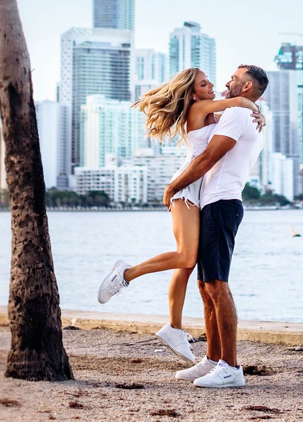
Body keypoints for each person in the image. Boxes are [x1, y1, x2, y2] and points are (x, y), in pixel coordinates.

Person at [95, 68, 265, 364]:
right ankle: (125, 274)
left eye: (211, 81)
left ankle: (174, 327)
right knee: (186, 257)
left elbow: (235, 117)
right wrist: (253, 105)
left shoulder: (214, 114)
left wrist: (254, 108)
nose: (213, 84)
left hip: (199, 193)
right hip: (186, 189)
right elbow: (235, 106)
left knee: (188, 266)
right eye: (204, 83)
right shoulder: (201, 107)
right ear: (193, 93)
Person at [158, 64, 270, 388]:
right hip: (213, 204)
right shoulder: (239, 112)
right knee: (205, 287)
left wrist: (171, 187)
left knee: (217, 285)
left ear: (246, 87)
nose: (225, 83)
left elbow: (207, 158)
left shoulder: (237, 113)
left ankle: (231, 367)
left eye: (233, 79)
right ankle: (212, 358)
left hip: (222, 203)